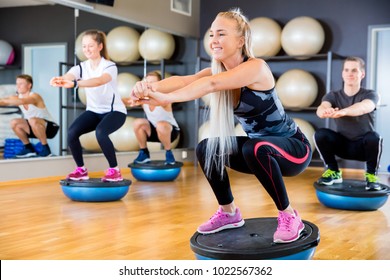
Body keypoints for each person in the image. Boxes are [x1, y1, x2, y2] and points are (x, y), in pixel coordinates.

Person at [130, 8, 312, 243]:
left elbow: (212, 84)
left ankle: (289, 216)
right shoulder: (217, 71)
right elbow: (183, 81)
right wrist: (147, 88)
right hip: (261, 149)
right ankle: (229, 212)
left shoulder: (255, 67)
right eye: (212, 34)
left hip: (293, 150)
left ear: (240, 41)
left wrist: (166, 99)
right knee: (207, 148)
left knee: (254, 148)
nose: (214, 40)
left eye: (221, 34)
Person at [50, 29, 127, 182]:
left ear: (100, 46)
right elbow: (69, 76)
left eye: (90, 46)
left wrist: (75, 84)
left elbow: (99, 81)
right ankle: (81, 170)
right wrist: (61, 80)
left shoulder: (109, 66)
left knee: (101, 132)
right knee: (72, 132)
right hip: (94, 111)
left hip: (115, 112)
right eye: (84, 46)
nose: (86, 50)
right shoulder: (81, 67)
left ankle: (115, 170)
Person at [314, 56, 383, 191]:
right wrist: (324, 111)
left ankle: (371, 175)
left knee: (374, 137)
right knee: (321, 134)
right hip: (343, 146)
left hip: (363, 147)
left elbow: (364, 107)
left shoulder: (371, 94)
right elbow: (321, 107)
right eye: (346, 70)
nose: (350, 73)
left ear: (362, 74)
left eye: (354, 70)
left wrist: (344, 112)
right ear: (342, 73)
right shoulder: (332, 96)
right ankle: (333, 171)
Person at [125, 71, 180, 165]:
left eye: (152, 83)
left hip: (170, 132)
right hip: (154, 131)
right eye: (148, 82)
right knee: (138, 123)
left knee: (161, 125)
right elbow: (128, 101)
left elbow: (161, 102)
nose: (149, 85)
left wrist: (142, 99)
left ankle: (169, 153)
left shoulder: (164, 98)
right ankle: (144, 153)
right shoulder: (143, 99)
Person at [0, 74, 58, 158]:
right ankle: (28, 148)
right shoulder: (17, 97)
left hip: (50, 128)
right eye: (17, 84)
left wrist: (7, 101)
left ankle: (46, 149)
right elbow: (3, 100)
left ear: (29, 85)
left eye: (21, 84)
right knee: (14, 122)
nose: (18, 86)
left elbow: (22, 101)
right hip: (33, 127)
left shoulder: (35, 96)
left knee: (32, 120)